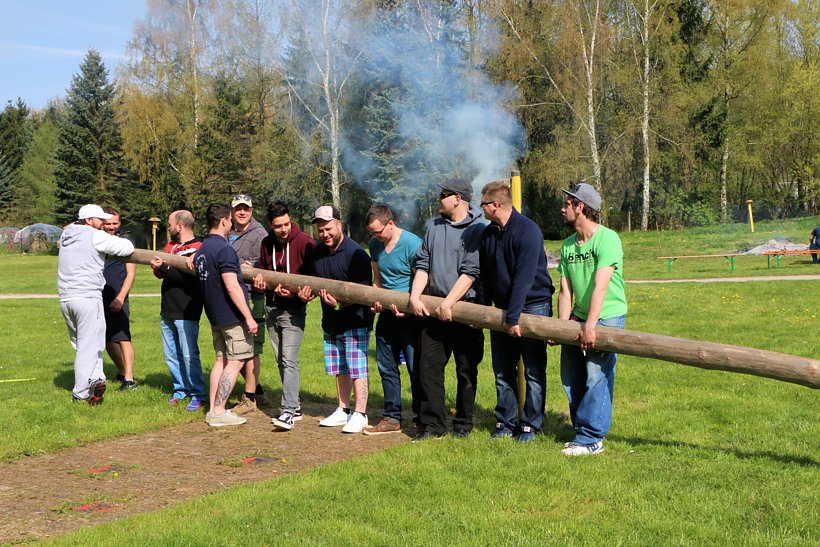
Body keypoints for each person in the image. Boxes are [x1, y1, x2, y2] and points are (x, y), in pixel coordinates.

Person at [408, 179, 487, 441]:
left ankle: (463, 423)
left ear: (457, 199)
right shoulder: (434, 228)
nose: (438, 198)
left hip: (465, 310)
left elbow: (470, 273)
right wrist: (415, 297)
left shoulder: (478, 229)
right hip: (433, 309)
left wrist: (449, 304)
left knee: (466, 370)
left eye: (443, 195)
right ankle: (433, 426)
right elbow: (423, 263)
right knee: (428, 369)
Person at [479, 181, 554, 443]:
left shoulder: (528, 232)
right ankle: (505, 422)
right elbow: (486, 276)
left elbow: (524, 277)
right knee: (502, 371)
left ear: (496, 205)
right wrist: (480, 311)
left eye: (484, 204)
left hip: (533, 306)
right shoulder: (488, 234)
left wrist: (513, 317)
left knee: (533, 370)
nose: (481, 208)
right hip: (501, 311)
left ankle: (531, 425)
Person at [556, 183, 628, 456]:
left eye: (567, 204)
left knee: (596, 374)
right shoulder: (567, 246)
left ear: (581, 207)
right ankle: (580, 429)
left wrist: (590, 326)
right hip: (580, 316)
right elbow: (565, 290)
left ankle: (592, 438)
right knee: (571, 375)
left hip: (607, 315)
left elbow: (600, 286)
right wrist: (562, 326)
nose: (563, 208)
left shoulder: (607, 239)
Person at [297, 205, 373, 434]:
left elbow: (364, 293)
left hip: (356, 320)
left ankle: (360, 413)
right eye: (320, 230)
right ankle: (343, 409)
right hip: (330, 321)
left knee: (356, 368)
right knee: (339, 368)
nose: (325, 234)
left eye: (328, 228)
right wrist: (305, 295)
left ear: (339, 225)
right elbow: (310, 281)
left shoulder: (357, 253)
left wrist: (339, 303)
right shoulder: (317, 252)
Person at [58, 204, 135, 404]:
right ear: (88, 220)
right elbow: (126, 248)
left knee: (83, 343)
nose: (103, 223)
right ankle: (81, 392)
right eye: (99, 219)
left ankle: (96, 380)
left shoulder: (67, 236)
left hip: (66, 297)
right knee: (89, 345)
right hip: (87, 296)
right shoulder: (94, 235)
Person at [192, 204, 259, 427]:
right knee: (236, 361)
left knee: (220, 360)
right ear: (223, 221)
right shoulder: (225, 250)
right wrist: (248, 317)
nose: (232, 225)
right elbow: (232, 286)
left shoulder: (202, 250)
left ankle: (213, 410)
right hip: (232, 316)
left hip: (213, 316)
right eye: (230, 221)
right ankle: (219, 411)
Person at [253, 201, 316, 431]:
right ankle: (296, 405)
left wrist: (297, 294)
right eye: (278, 226)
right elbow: (264, 275)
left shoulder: (305, 242)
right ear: (271, 225)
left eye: (287, 223)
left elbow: (314, 283)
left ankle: (288, 411)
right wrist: (262, 287)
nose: (284, 229)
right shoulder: (265, 243)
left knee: (289, 359)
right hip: (271, 308)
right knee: (280, 359)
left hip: (294, 311)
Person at [363, 204, 423, 436]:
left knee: (415, 368)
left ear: (391, 223)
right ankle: (392, 417)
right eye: (372, 233)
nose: (375, 237)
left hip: (410, 317)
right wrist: (376, 299)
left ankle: (421, 418)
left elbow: (422, 280)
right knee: (386, 367)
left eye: (378, 232)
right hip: (387, 316)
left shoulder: (413, 244)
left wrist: (408, 309)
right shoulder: (374, 245)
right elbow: (377, 280)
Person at [150, 210, 207, 412]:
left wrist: (165, 269)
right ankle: (180, 390)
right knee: (171, 354)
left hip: (187, 310)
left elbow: (190, 276)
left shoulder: (199, 247)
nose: (168, 227)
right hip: (167, 308)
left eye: (170, 224)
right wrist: (159, 268)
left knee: (189, 355)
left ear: (180, 226)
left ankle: (198, 394)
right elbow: (161, 274)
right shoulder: (170, 247)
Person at [228, 194, 269, 415]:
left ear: (252, 211)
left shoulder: (260, 234)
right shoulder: (227, 232)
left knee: (251, 348)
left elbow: (265, 263)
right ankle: (257, 389)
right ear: (232, 212)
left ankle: (250, 396)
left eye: (246, 209)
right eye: (238, 209)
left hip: (253, 296)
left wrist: (250, 266)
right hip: (231, 296)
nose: (242, 212)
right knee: (236, 345)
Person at [101, 207, 138, 391]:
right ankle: (122, 372)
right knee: (107, 339)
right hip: (99, 295)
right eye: (107, 223)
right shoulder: (97, 240)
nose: (111, 227)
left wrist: (121, 297)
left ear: (120, 223)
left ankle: (130, 380)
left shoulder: (126, 242)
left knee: (123, 337)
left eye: (115, 223)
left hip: (118, 295)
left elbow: (131, 274)